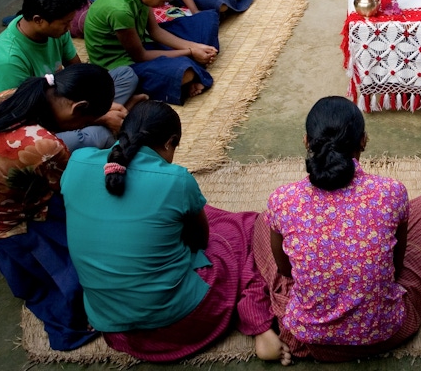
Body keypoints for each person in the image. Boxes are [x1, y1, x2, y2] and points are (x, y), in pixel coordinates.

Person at [61, 101, 286, 363]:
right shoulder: (176, 179)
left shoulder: (77, 161)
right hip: (182, 322)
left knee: (200, 214)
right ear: (170, 143)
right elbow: (200, 242)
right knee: (243, 230)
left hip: (114, 328)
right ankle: (256, 321)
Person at [253, 96, 421, 361]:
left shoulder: (283, 200)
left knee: (263, 221)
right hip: (385, 331)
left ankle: (275, 323)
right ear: (363, 140)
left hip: (308, 336)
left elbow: (285, 271)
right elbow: (397, 267)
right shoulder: (390, 193)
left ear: (306, 141)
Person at [0, 64, 114, 350]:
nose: (81, 129)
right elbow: (76, 191)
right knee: (77, 276)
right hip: (12, 224)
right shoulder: (44, 146)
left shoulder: (10, 96)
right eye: (85, 122)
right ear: (78, 107)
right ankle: (71, 329)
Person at [0, 0, 138, 149]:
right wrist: (100, 116)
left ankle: (104, 116)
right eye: (65, 23)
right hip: (27, 126)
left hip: (62, 100)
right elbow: (26, 119)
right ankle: (108, 119)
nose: (69, 29)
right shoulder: (8, 61)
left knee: (126, 74)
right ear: (39, 20)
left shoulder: (55, 32)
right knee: (98, 136)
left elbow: (77, 71)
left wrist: (100, 105)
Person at [84, 0, 220, 104]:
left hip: (144, 41)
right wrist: (190, 51)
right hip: (122, 62)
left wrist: (194, 46)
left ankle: (194, 67)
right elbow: (141, 56)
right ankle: (192, 72)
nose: (162, 6)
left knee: (207, 20)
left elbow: (155, 31)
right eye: (163, 1)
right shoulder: (120, 10)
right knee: (184, 71)